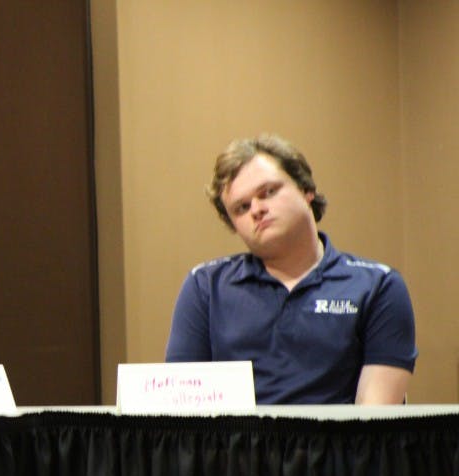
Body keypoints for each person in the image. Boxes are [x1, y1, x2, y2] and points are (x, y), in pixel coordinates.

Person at [165, 134, 417, 404]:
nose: (257, 210)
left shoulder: (378, 286)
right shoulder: (205, 287)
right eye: (241, 207)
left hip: (339, 445)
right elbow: (185, 418)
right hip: (236, 445)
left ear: (306, 190)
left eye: (268, 192)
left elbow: (375, 424)